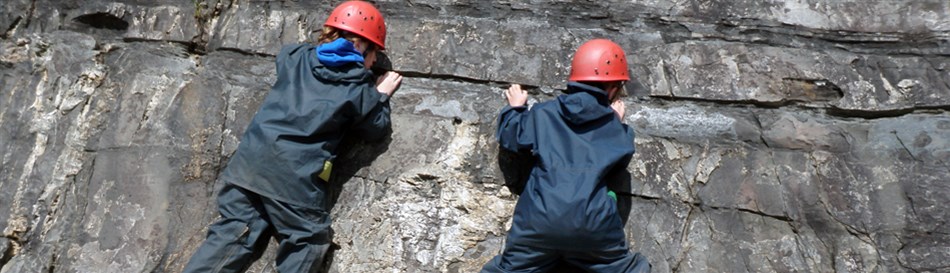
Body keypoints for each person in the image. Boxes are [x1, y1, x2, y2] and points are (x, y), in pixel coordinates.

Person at [182, 1, 402, 272]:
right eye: (375, 54)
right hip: (293, 178)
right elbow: (375, 128)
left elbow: (285, 56)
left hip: (249, 165)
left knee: (235, 232)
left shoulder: (297, 56)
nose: (374, 62)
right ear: (361, 47)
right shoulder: (357, 85)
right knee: (308, 239)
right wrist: (379, 95)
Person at [481, 39, 651, 273]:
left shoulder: (544, 113)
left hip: (538, 224)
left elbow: (511, 137)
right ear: (613, 87)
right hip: (592, 226)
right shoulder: (613, 128)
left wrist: (515, 109)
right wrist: (616, 123)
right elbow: (622, 157)